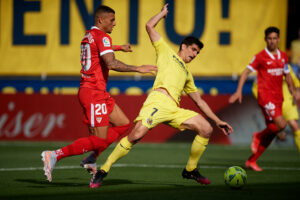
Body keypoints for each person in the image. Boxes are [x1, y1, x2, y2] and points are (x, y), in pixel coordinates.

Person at [89, 4, 233, 188]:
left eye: (198, 52)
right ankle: (103, 170)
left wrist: (217, 120)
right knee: (136, 135)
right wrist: (162, 14)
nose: (195, 54)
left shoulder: (188, 74)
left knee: (206, 128)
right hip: (157, 101)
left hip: (174, 108)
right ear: (184, 46)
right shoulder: (166, 51)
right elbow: (149, 26)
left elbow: (199, 101)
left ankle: (190, 170)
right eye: (193, 50)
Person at [41, 5, 157, 182]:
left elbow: (98, 50)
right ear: (100, 20)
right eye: (112, 20)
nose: (115, 23)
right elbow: (111, 64)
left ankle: (91, 158)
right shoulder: (102, 36)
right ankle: (55, 155)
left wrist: (118, 47)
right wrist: (138, 68)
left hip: (97, 92)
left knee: (123, 124)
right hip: (93, 93)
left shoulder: (89, 35)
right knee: (99, 141)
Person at [229, 27, 295, 171]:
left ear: (278, 39)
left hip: (279, 98)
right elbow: (246, 72)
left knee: (272, 133)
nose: (272, 41)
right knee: (282, 125)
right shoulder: (260, 57)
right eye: (269, 38)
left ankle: (251, 161)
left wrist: (293, 91)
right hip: (266, 97)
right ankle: (257, 135)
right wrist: (239, 91)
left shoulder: (283, 56)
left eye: (274, 38)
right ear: (265, 39)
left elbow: (287, 74)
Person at [252, 64, 300, 153]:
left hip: (288, 102)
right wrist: (262, 100)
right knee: (274, 130)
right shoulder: (263, 69)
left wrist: (297, 91)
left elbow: (295, 81)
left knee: (295, 126)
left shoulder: (286, 66)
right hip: (273, 104)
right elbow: (255, 88)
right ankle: (253, 158)